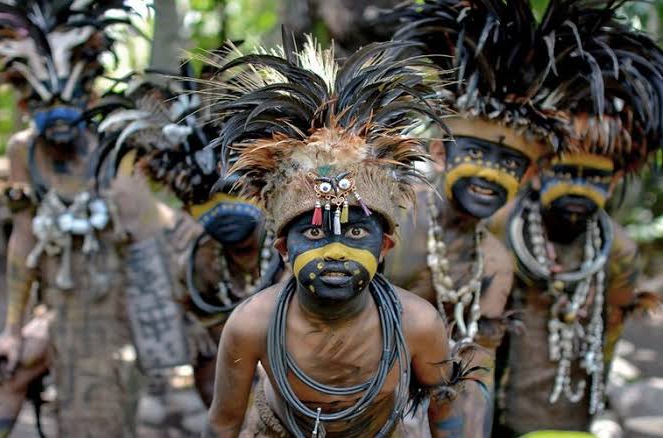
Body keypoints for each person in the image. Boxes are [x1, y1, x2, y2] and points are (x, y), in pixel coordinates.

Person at [202, 36, 478, 437]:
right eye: (314, 231)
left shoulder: (418, 325)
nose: (335, 251)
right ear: (283, 248)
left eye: (356, 231)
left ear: (385, 245)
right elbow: (222, 424)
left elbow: (447, 424)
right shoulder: (252, 325)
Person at [0, 2, 186, 436]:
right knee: (6, 373)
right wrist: (12, 329)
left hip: (119, 304)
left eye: (68, 102)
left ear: (87, 91)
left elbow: (150, 235)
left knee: (104, 402)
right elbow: (24, 238)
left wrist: (165, 326)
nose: (58, 119)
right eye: (44, 104)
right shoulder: (24, 152)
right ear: (25, 97)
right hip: (60, 305)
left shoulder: (115, 146)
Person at [379, 1, 565, 435]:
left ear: (527, 176)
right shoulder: (389, 220)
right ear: (441, 153)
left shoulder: (495, 262)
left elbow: (477, 365)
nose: (489, 175)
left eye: (509, 164)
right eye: (478, 154)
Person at [488, 1, 663, 435]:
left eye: (594, 178)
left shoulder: (616, 251)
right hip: (496, 411)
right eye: (566, 173)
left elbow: (610, 335)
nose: (579, 190)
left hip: (570, 412)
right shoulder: (498, 228)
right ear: (538, 171)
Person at [90, 74, 285, 407]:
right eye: (202, 199)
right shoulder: (201, 265)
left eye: (232, 193)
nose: (222, 210)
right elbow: (215, 373)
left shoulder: (292, 254)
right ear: (185, 205)